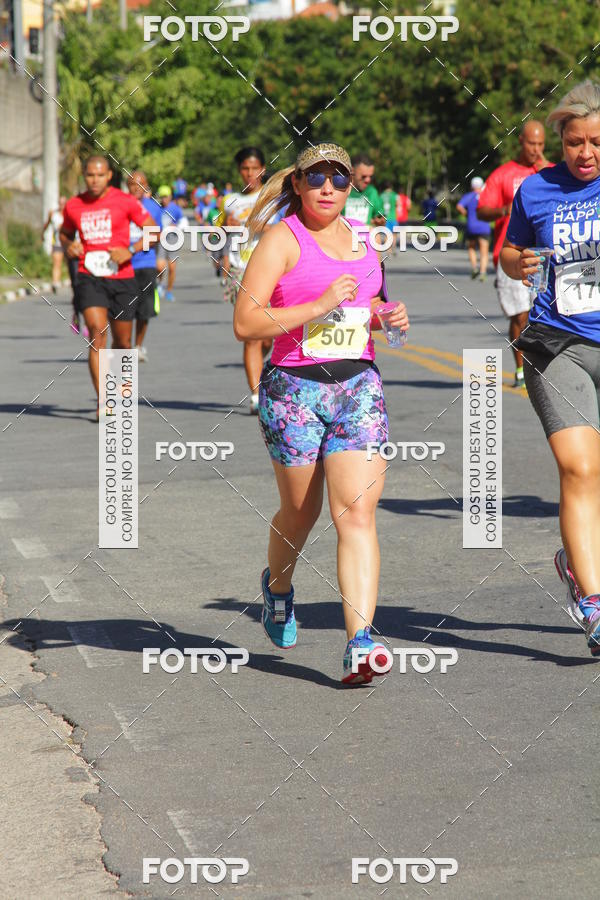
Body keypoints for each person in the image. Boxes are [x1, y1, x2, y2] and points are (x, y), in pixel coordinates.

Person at [233, 142, 409, 684]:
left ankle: (359, 641)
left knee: (355, 513)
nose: (327, 187)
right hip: (294, 392)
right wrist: (317, 305)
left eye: (337, 177)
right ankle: (278, 588)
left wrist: (387, 316)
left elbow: (363, 310)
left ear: (349, 185)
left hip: (358, 386)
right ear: (298, 186)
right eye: (316, 179)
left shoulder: (363, 242)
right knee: (300, 513)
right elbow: (246, 322)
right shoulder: (282, 241)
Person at [500, 79, 600, 657]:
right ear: (560, 143)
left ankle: (573, 560)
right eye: (574, 143)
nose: (585, 153)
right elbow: (511, 252)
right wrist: (520, 262)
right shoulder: (536, 191)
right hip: (557, 342)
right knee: (579, 469)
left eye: (595, 143)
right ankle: (592, 601)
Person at [60, 155, 156, 420]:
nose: (94, 180)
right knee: (97, 333)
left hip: (122, 278)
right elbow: (64, 233)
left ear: (109, 176)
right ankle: (104, 400)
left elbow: (153, 230)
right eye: (90, 175)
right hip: (88, 276)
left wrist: (131, 250)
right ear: (84, 175)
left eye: (100, 175)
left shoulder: (125, 201)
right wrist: (70, 246)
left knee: (123, 342)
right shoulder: (74, 205)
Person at [478, 121, 554, 386]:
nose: (536, 149)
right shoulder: (503, 174)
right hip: (511, 254)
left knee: (543, 314)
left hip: (544, 255)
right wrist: (504, 210)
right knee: (520, 315)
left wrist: (550, 177)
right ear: (521, 141)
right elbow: (481, 210)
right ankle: (521, 368)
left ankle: (545, 366)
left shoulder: (552, 172)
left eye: (541, 144)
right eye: (531, 143)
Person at [222, 146, 272, 414]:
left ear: (262, 169)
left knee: (268, 337)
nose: (250, 173)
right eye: (245, 168)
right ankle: (255, 395)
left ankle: (261, 369)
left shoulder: (275, 196)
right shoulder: (230, 201)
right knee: (252, 335)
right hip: (241, 271)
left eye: (254, 168)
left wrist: (258, 227)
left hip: (272, 268)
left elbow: (288, 228)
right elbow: (217, 234)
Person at [126, 170, 162, 362]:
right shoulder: (120, 206)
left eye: (141, 184)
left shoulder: (153, 208)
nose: (137, 188)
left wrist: (133, 248)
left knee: (144, 309)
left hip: (146, 264)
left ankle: (138, 345)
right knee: (124, 308)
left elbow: (157, 236)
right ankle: (124, 344)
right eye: (133, 184)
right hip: (123, 266)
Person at [456, 177, 491, 280]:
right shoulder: (486, 197)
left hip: (471, 226)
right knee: (484, 251)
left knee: (471, 248)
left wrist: (466, 214)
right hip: (484, 226)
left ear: (472, 186)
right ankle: (483, 272)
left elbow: (459, 206)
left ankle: (475, 267)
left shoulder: (469, 196)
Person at [156, 185, 187, 302]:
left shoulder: (175, 209)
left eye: (166, 197)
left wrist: (176, 226)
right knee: (159, 267)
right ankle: (159, 284)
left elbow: (184, 223)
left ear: (170, 197)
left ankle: (168, 291)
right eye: (162, 197)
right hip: (160, 240)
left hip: (173, 240)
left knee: (172, 268)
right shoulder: (157, 208)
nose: (164, 199)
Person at [342, 153, 385, 226]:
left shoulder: (372, 192)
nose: (368, 180)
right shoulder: (341, 190)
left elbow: (381, 217)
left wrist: (380, 221)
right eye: (364, 176)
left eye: (370, 176)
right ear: (352, 171)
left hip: (364, 236)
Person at [43, 196, 67, 294]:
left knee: (71, 265)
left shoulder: (70, 213)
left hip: (69, 244)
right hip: (57, 243)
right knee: (57, 263)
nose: (62, 205)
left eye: (63, 203)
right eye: (60, 203)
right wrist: (43, 233)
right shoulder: (53, 214)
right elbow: (47, 224)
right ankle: (55, 283)